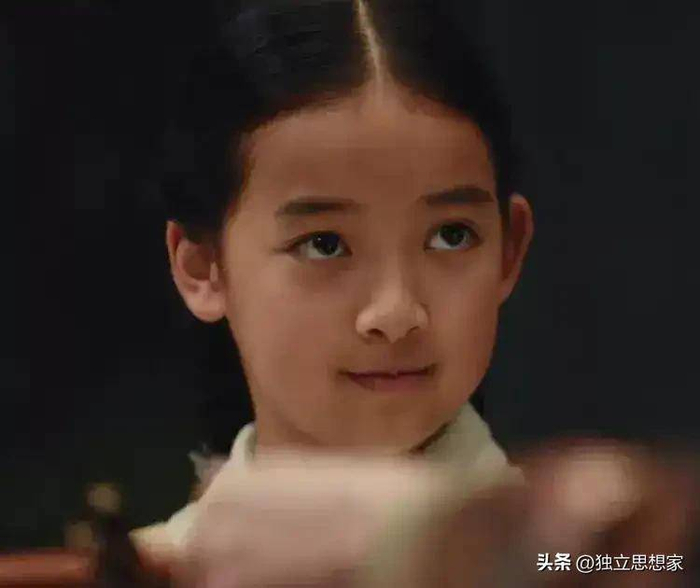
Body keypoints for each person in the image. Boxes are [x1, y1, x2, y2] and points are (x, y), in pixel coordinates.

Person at [130, 1, 699, 586]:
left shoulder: (596, 554)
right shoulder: (143, 569)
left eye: (451, 236)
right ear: (203, 268)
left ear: (509, 249)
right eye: (324, 244)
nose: (396, 312)